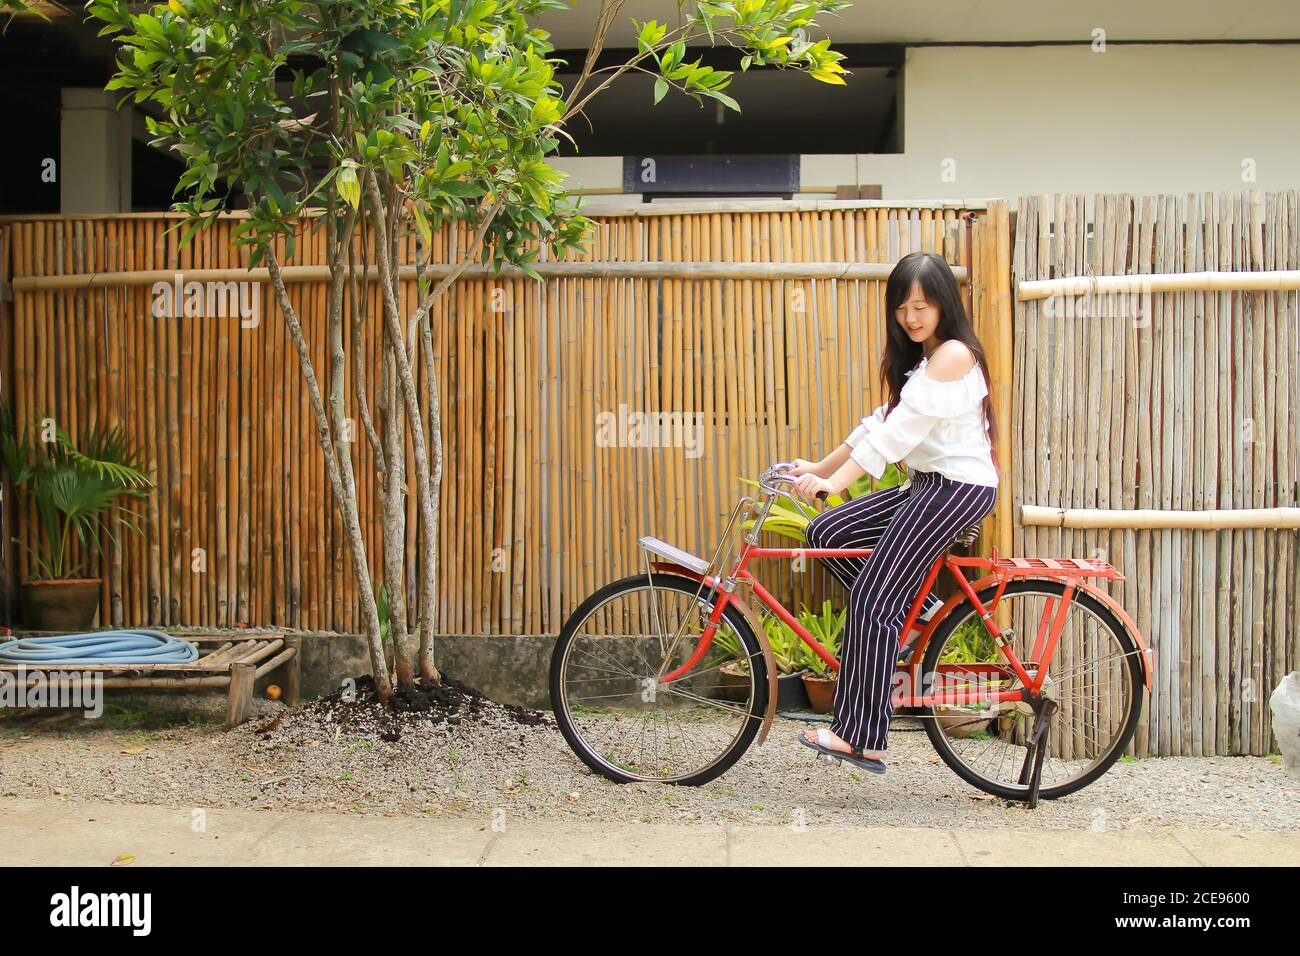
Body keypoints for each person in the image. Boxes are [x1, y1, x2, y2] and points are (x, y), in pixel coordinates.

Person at [787, 251, 1001, 773]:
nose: (912, 316)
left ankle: (863, 737)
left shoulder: (953, 354)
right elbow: (875, 427)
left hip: (958, 489)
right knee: (828, 530)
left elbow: (896, 437)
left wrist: (833, 482)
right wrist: (818, 466)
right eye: (904, 306)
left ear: (944, 305)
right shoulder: (921, 359)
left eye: (923, 305)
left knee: (872, 597)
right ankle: (915, 619)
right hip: (925, 486)